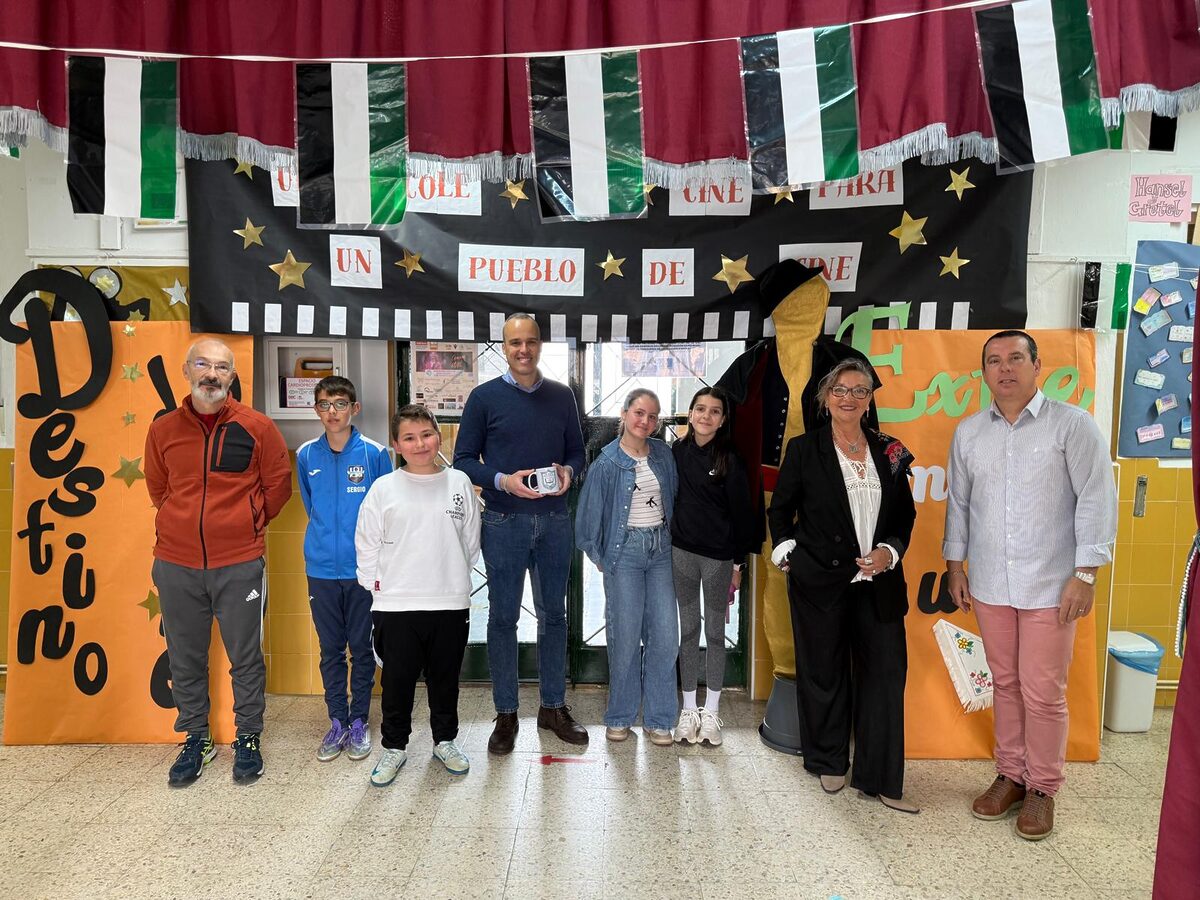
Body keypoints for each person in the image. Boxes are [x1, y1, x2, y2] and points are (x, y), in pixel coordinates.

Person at [944, 330, 1116, 840]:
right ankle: (1010, 776)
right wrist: (955, 567)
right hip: (991, 583)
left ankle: (1042, 788)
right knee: (1005, 684)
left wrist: (1085, 574)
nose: (1005, 369)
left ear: (1037, 366)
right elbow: (959, 505)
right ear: (984, 372)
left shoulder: (1072, 425)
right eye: (994, 361)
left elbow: (1096, 500)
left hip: (1052, 585)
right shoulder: (970, 433)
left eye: (1016, 358)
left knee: (1042, 691)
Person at [767, 358, 919, 813]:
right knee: (824, 673)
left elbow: (904, 515)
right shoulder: (804, 449)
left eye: (859, 391)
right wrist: (789, 556)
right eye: (840, 390)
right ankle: (828, 760)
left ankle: (881, 777)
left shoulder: (890, 450)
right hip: (819, 580)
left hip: (879, 583)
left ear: (869, 399)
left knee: (885, 677)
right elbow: (781, 511)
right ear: (825, 397)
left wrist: (889, 552)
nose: (849, 398)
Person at [144, 338, 292, 786]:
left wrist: (246, 524)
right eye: (203, 364)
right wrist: (182, 522)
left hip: (239, 563)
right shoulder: (163, 430)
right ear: (187, 370)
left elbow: (278, 486)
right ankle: (196, 738)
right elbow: (158, 487)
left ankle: (248, 737)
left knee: (245, 658)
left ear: (232, 376)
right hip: (176, 563)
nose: (212, 374)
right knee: (185, 657)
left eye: (222, 367)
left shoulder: (257, 427)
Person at [453, 313, 588, 753]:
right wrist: (503, 481)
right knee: (503, 619)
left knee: (554, 617)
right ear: (505, 347)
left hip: (554, 522)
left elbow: (577, 451)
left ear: (540, 344)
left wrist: (568, 472)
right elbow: (463, 460)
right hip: (503, 521)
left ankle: (553, 707)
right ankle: (506, 712)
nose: (523, 350)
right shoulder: (483, 398)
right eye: (515, 343)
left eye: (531, 341)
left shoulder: (562, 396)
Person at [356, 405, 481, 784]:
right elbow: (367, 543)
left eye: (426, 434)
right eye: (409, 438)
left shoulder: (459, 482)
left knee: (445, 679)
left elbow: (470, 540)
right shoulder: (384, 488)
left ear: (438, 437)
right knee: (397, 682)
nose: (420, 443)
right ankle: (394, 747)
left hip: (449, 601)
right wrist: (378, 588)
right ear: (396, 445)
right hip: (397, 604)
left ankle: (445, 741)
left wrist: (453, 578)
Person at [297, 376, 392, 763]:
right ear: (316, 410)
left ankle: (359, 722)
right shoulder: (306, 455)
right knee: (331, 650)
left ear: (354, 408)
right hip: (321, 569)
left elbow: (387, 511)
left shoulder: (374, 454)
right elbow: (311, 506)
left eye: (340, 404)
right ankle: (336, 720)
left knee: (362, 648)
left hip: (363, 571)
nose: (332, 412)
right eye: (324, 404)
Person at [576, 389, 680, 745]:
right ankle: (620, 714)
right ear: (623, 414)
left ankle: (659, 718)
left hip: (662, 550)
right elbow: (587, 519)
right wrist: (601, 557)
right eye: (639, 413)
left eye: (652, 416)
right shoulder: (607, 463)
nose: (645, 421)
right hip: (626, 553)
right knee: (625, 635)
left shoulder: (664, 455)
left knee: (665, 635)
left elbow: (674, 500)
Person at [670, 386, 756, 747]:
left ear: (722, 421)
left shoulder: (730, 459)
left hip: (719, 559)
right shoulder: (675, 452)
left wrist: (738, 564)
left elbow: (743, 515)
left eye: (715, 411)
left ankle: (712, 712)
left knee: (716, 634)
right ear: (690, 414)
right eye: (700, 409)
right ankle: (689, 710)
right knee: (688, 630)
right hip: (681, 554)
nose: (706, 416)